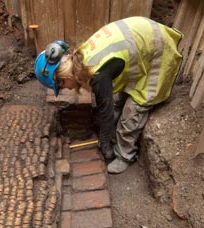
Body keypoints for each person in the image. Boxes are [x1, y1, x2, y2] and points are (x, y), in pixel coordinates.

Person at [34, 16, 183, 174]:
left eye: (62, 86)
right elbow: (106, 104)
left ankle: (125, 155)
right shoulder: (80, 56)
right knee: (120, 100)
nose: (68, 90)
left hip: (158, 50)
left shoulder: (97, 75)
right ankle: (115, 134)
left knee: (132, 112)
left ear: (65, 77)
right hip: (142, 40)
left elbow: (106, 111)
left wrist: (104, 143)